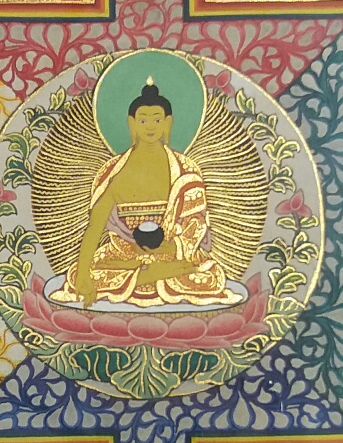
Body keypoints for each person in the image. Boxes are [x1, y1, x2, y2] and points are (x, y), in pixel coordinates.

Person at [66, 80, 235, 309]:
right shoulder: (113, 172)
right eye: (143, 120)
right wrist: (84, 272)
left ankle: (147, 275)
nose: (150, 127)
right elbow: (95, 227)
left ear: (168, 123)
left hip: (172, 256)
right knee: (82, 274)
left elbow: (194, 225)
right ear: (132, 123)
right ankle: (150, 275)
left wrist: (171, 248)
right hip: (124, 256)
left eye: (157, 120)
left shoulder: (186, 171)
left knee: (208, 275)